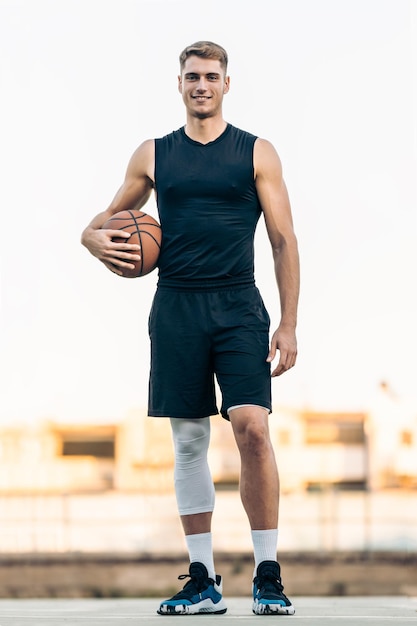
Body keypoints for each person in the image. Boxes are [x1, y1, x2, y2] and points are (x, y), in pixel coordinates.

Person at [81, 41, 300, 616]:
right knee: (189, 441)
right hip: (176, 306)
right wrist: (90, 240)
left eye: (210, 76)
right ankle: (202, 577)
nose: (200, 85)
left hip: (238, 306)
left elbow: (283, 241)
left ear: (227, 84)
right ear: (178, 84)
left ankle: (268, 572)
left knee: (251, 427)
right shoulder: (153, 155)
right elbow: (103, 222)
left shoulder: (257, 153)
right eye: (191, 77)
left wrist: (290, 323)